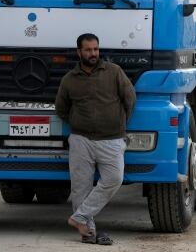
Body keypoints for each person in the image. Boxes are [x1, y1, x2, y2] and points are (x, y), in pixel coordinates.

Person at [55, 33, 136, 245]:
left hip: (112, 139)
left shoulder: (114, 72)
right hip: (81, 140)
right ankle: (87, 232)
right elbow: (61, 109)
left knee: (114, 178)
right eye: (88, 50)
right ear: (79, 52)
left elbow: (130, 98)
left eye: (96, 49)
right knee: (80, 187)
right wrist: (78, 122)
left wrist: (118, 122)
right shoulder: (69, 79)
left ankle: (79, 217)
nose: (93, 53)